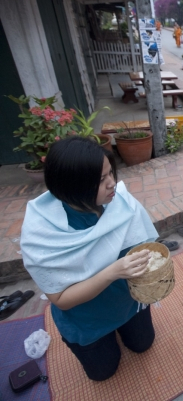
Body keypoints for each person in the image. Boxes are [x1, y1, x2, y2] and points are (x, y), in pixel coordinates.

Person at [20, 137, 159, 381]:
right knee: (103, 373)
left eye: (110, 173)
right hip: (86, 318)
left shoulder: (120, 203)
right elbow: (61, 299)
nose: (112, 183)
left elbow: (144, 246)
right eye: (100, 180)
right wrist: (112, 271)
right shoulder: (43, 236)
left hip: (126, 301)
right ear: (70, 187)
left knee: (143, 344)